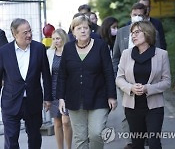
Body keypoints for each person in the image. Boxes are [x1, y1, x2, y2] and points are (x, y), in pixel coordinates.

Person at [57, 14, 117, 149]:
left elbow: (108, 72)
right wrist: (61, 98)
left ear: (90, 30)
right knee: (80, 138)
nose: (83, 31)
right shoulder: (68, 48)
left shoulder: (101, 46)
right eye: (79, 28)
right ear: (73, 32)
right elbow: (62, 75)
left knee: (96, 133)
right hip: (74, 100)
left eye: (85, 28)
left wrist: (112, 96)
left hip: (98, 98)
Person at [116, 21, 171, 149]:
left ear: (147, 33)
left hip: (154, 107)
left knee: (154, 143)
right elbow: (119, 78)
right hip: (132, 107)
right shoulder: (126, 54)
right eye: (132, 33)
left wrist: (148, 88)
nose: (133, 36)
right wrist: (131, 88)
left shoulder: (162, 54)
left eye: (137, 32)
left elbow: (167, 81)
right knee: (137, 144)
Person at [112, 2, 159, 149]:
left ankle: (147, 138)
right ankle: (131, 141)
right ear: (130, 16)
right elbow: (115, 56)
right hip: (126, 80)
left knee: (148, 111)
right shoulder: (122, 32)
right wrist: (118, 77)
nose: (137, 17)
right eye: (134, 15)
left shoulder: (153, 33)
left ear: (146, 16)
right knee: (129, 112)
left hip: (147, 79)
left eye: (140, 15)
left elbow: (159, 55)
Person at [0, 18, 52, 149]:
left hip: (33, 101)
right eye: (25, 32)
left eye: (30, 31)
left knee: (34, 137)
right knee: (11, 140)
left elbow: (46, 75)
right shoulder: (4, 52)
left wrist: (48, 98)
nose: (29, 35)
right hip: (10, 102)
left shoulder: (39, 48)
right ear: (14, 34)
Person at [47, 28, 72, 149]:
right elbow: (46, 74)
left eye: (58, 38)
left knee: (66, 122)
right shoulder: (50, 53)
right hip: (53, 90)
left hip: (67, 91)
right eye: (53, 39)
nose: (56, 41)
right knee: (57, 123)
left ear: (63, 38)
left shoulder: (70, 52)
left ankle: (69, 147)